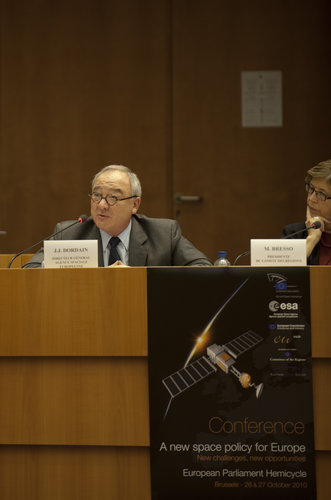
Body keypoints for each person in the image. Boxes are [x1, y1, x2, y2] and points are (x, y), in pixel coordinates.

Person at [23, 164, 212, 268]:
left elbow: (203, 268)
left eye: (113, 197)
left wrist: (137, 280)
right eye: (96, 196)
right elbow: (29, 272)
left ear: (135, 204)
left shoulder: (163, 234)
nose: (102, 205)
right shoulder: (69, 234)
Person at [281, 159, 331, 265]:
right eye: (311, 189)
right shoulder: (294, 234)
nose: (311, 199)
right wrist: (312, 239)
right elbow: (281, 278)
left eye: (321, 194)